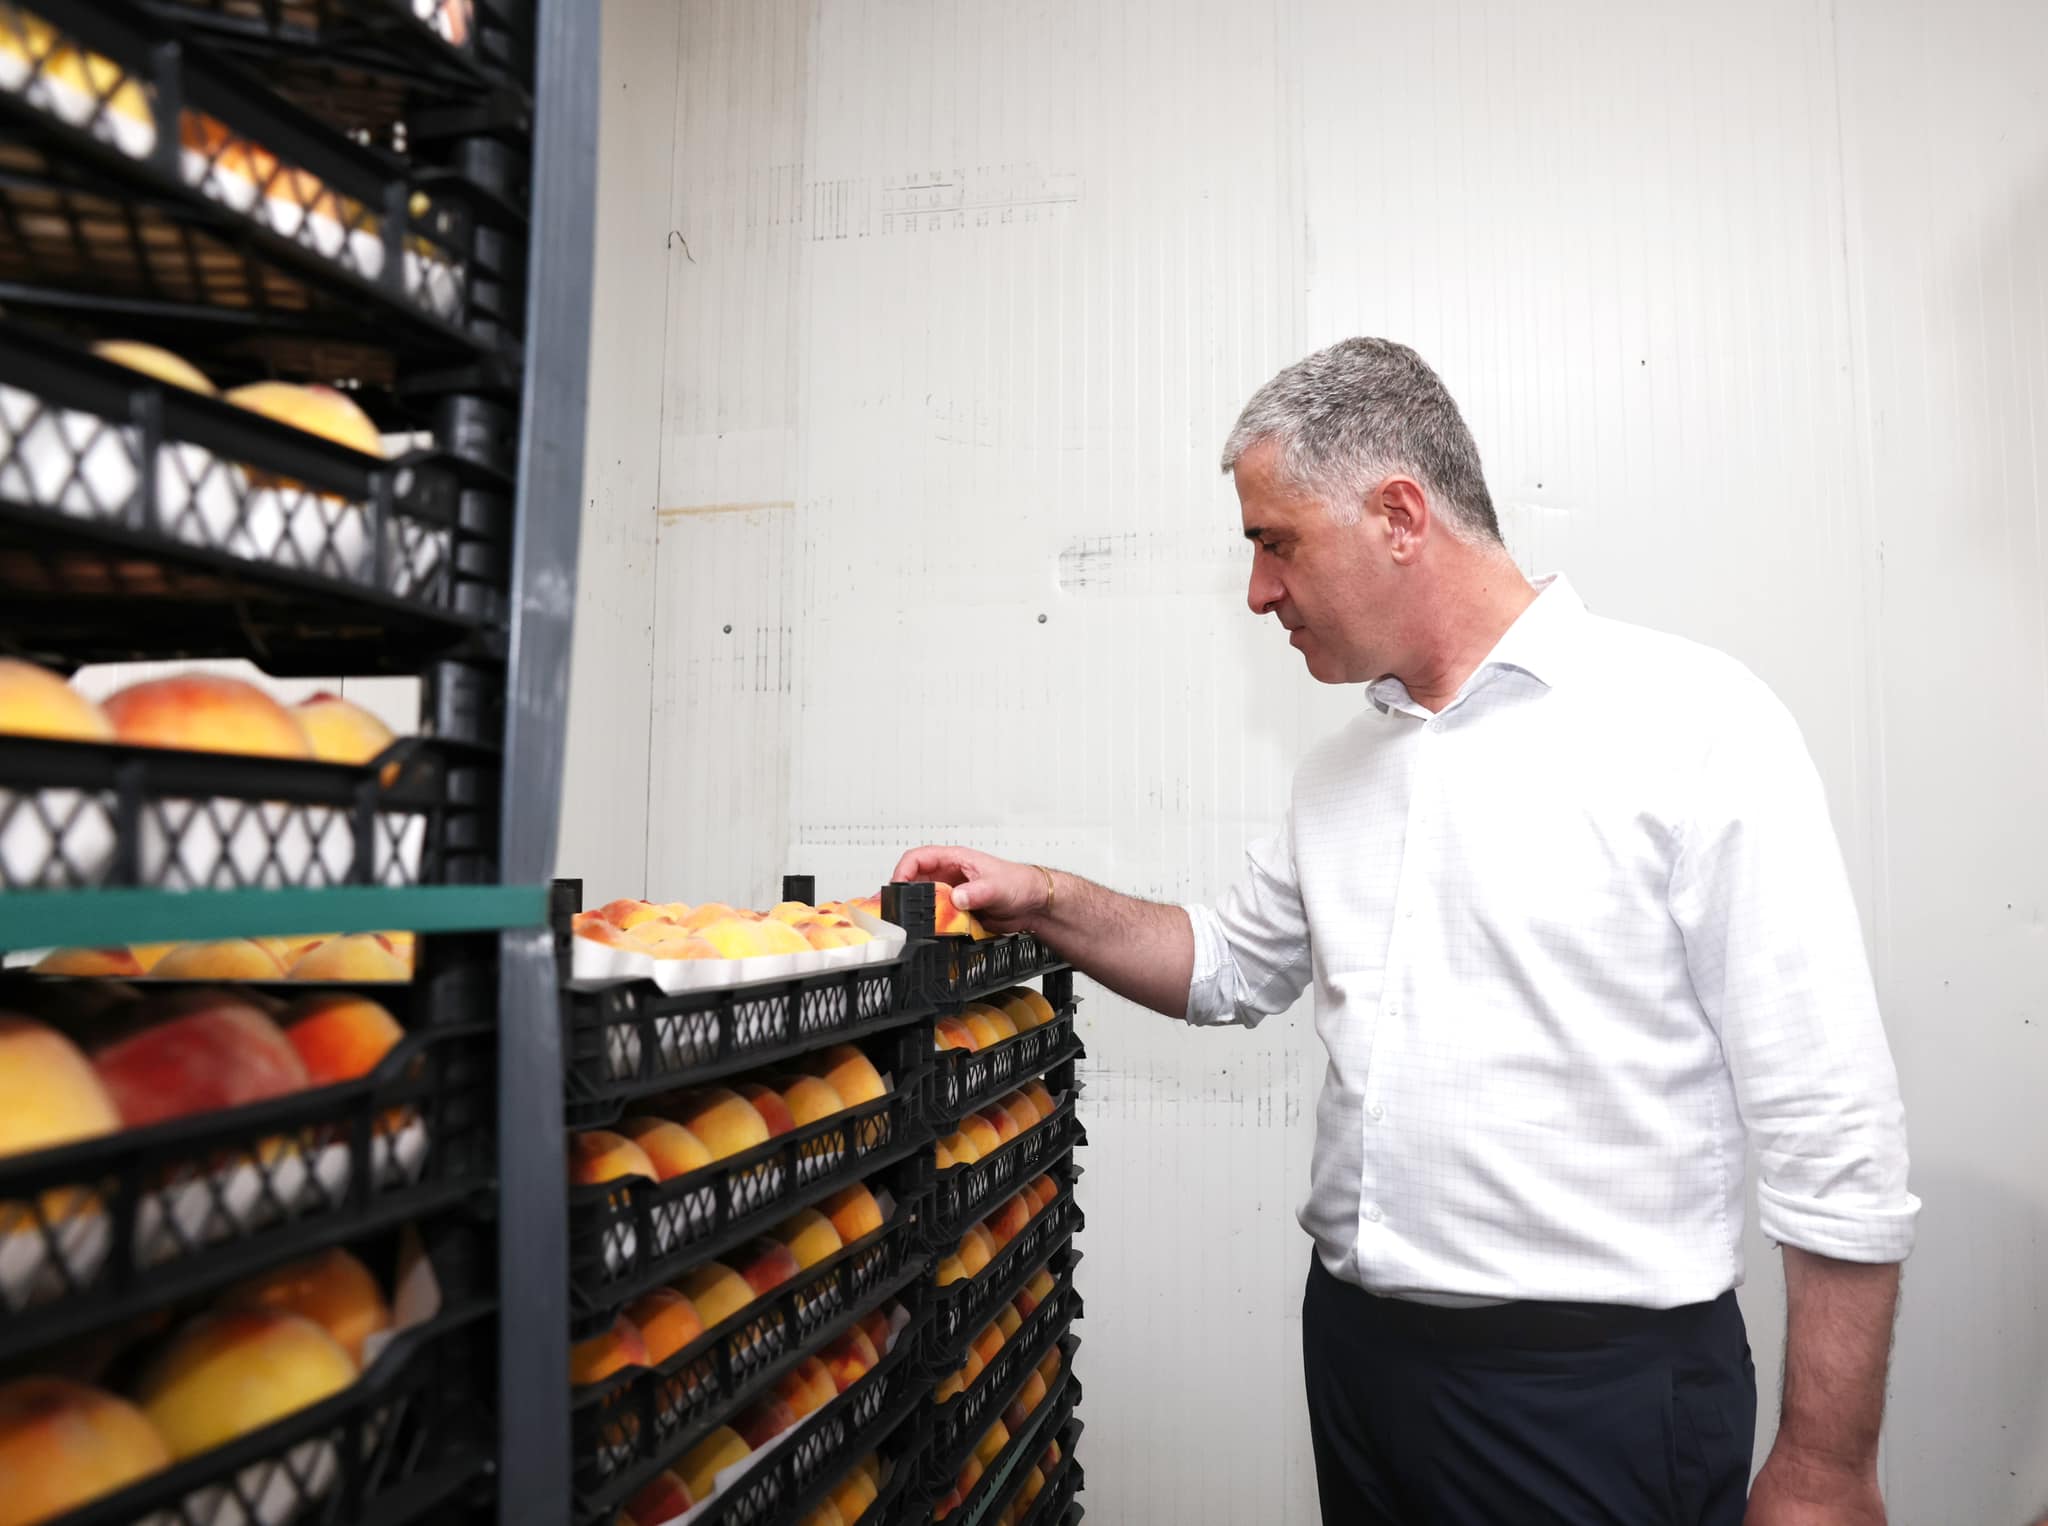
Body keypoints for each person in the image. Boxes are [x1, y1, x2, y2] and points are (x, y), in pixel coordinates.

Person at [894, 338, 1918, 1525]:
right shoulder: (1340, 771)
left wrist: (1825, 1464)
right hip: (1359, 1357)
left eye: (1274, 542)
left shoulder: (1691, 723)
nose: (1256, 592)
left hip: (1588, 1391)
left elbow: (1828, 1117)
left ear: (1396, 516)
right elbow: (1225, 963)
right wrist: (1045, 896)